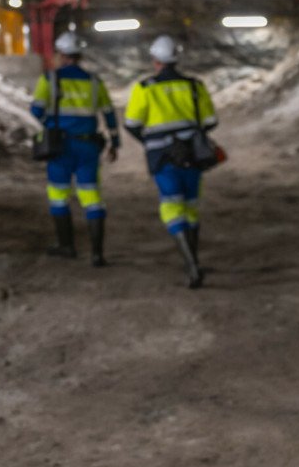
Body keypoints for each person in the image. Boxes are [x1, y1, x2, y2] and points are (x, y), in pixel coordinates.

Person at [124, 34, 218, 288]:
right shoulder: (195, 86)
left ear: (155, 61)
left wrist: (149, 141)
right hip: (192, 155)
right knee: (190, 207)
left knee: (171, 207)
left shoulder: (145, 88)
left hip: (162, 157)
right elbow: (210, 122)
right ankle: (193, 260)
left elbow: (131, 124)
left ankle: (191, 265)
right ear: (177, 60)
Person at [30, 31, 120, 266]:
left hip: (59, 147)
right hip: (88, 146)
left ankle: (66, 246)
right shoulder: (94, 82)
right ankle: (97, 253)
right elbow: (109, 113)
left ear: (61, 54)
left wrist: (50, 124)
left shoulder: (49, 79)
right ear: (79, 55)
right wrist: (114, 142)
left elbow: (36, 110)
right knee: (92, 196)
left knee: (59, 195)